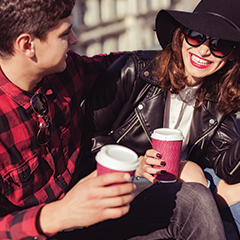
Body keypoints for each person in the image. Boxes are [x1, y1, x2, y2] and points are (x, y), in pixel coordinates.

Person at [0, 0, 227, 240]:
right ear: (27, 45)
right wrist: (58, 214)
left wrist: (188, 61)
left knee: (193, 200)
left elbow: (126, 64)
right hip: (40, 230)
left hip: (91, 215)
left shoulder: (64, 73)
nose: (75, 39)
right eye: (65, 33)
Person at [82, 0, 240, 238]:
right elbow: (88, 134)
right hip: (123, 186)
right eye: (197, 36)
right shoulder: (134, 71)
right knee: (195, 185)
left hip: (179, 186)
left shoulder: (219, 97)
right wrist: (135, 164)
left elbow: (227, 168)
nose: (204, 50)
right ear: (182, 37)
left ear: (230, 56)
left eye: (220, 45)